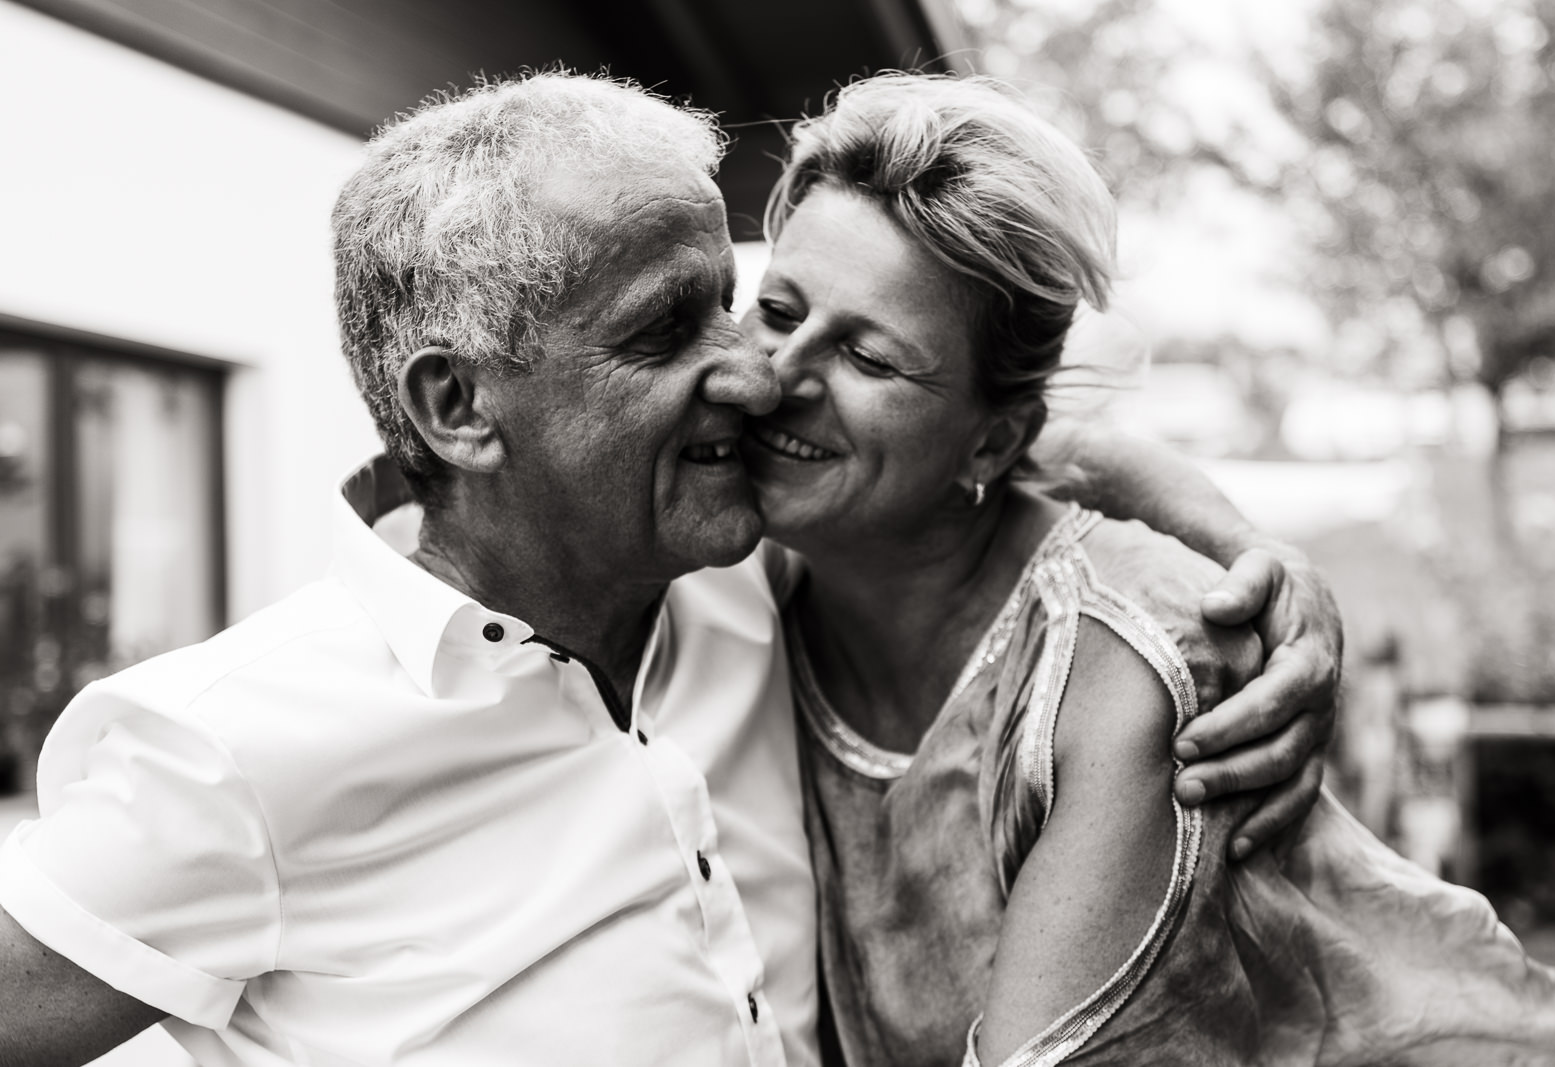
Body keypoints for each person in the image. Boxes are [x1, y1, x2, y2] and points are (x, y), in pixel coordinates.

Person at [0, 73, 1339, 1066]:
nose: (756, 369)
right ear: (462, 406)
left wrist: (1251, 552)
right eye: (663, 328)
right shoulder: (239, 746)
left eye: (727, 295)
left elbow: (1010, 439)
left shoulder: (744, 568)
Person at [741, 70, 1555, 1067]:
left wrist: (1250, 554)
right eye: (775, 308)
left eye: (869, 358)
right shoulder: (737, 579)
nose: (778, 373)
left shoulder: (1118, 652)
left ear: (991, 445)